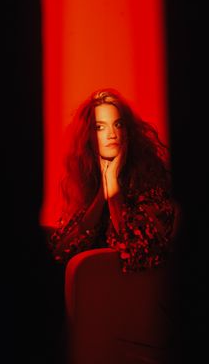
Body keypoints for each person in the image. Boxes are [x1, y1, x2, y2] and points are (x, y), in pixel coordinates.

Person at [47, 88, 179, 273]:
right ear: (88, 136)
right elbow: (61, 251)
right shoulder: (87, 178)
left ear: (127, 131)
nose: (111, 134)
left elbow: (137, 251)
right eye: (100, 127)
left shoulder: (149, 178)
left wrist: (113, 184)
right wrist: (103, 193)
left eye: (117, 124)